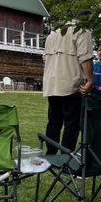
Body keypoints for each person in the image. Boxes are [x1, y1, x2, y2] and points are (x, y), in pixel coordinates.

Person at [42, 10, 94, 155]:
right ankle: (66, 158)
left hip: (51, 83)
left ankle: (51, 155)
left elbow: (45, 59)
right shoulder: (83, 31)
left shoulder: (53, 34)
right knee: (71, 123)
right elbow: (85, 57)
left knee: (54, 122)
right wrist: (90, 80)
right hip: (71, 83)